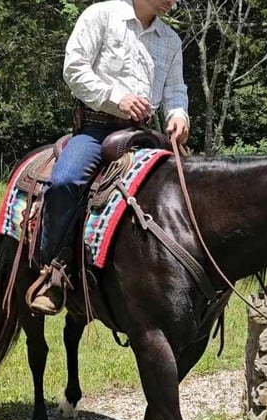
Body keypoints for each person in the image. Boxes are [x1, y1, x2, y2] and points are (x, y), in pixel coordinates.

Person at [27, 0, 190, 316]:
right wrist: (117, 98)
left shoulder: (171, 40)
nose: (174, 1)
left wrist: (178, 115)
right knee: (65, 181)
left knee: (185, 188)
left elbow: (175, 91)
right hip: (96, 129)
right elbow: (74, 69)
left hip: (144, 133)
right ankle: (52, 271)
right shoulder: (101, 15)